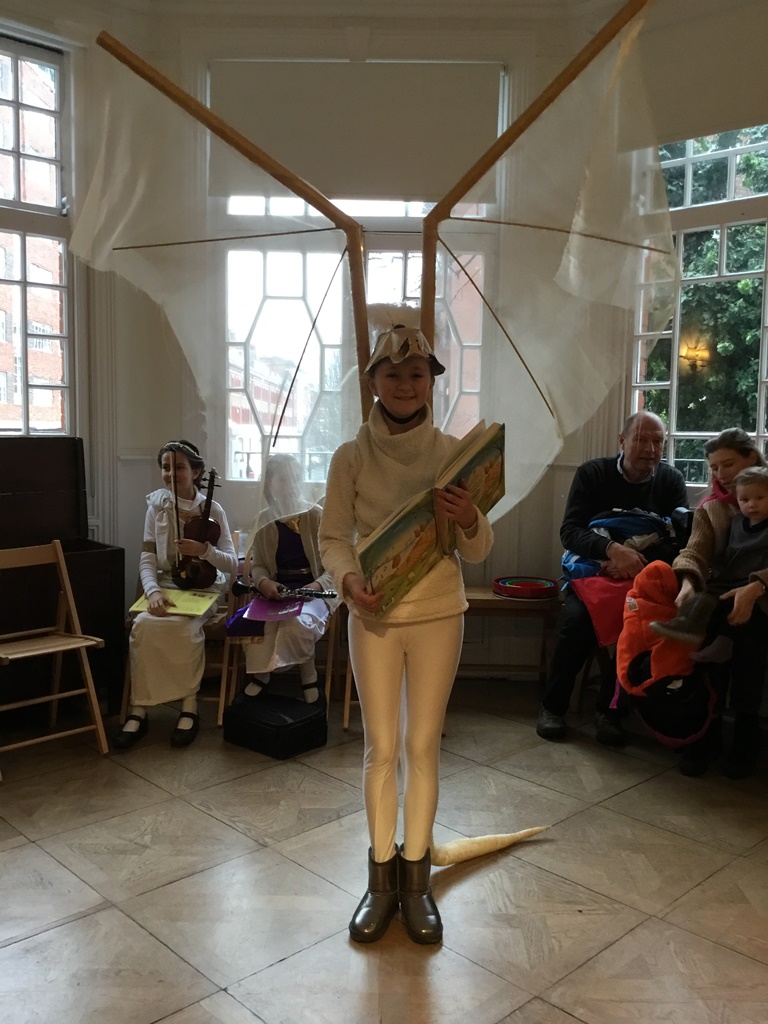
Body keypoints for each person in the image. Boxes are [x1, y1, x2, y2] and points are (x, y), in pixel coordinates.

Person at [319, 321, 493, 945]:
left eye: (416, 374)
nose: (404, 384)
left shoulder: (453, 453)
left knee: (422, 746)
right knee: (381, 748)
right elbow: (333, 536)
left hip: (439, 613)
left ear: (431, 382)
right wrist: (348, 580)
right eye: (392, 374)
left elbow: (478, 549)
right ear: (373, 381)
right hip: (374, 616)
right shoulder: (350, 457)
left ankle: (416, 881)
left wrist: (470, 517)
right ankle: (380, 881)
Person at [536, 411, 688, 746]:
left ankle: (611, 712)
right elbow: (570, 531)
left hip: (641, 578)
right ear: (622, 441)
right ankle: (553, 707)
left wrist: (634, 563)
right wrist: (611, 550)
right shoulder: (592, 473)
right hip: (591, 572)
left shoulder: (671, 481)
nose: (650, 449)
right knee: (576, 621)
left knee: (639, 625)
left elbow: (679, 542)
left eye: (658, 441)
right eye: (641, 439)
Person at [114, 440, 238, 750]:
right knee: (143, 626)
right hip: (166, 586)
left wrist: (204, 550)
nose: (170, 474)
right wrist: (153, 592)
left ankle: (188, 706)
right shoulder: (157, 507)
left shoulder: (213, 510)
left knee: (185, 628)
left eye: (179, 467)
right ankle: (139, 710)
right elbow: (147, 558)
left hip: (204, 588)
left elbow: (232, 564)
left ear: (196, 472)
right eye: (165, 467)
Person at [663, 431, 768, 778]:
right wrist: (688, 583)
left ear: (751, 457)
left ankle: (745, 740)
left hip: (764, 596)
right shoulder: (713, 508)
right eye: (714, 467)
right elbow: (695, 551)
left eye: (728, 464)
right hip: (727, 590)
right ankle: (705, 735)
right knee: (706, 635)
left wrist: (756, 587)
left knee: (749, 641)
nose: (720, 474)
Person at [241, 453, 340, 706]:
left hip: (314, 590)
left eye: (295, 477)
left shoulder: (316, 516)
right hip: (277, 590)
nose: (291, 484)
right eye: (283, 479)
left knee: (296, 623)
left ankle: (309, 676)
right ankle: (262, 674)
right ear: (270, 484)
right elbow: (258, 565)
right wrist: (264, 583)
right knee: (258, 624)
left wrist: (316, 586)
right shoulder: (263, 520)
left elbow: (334, 565)